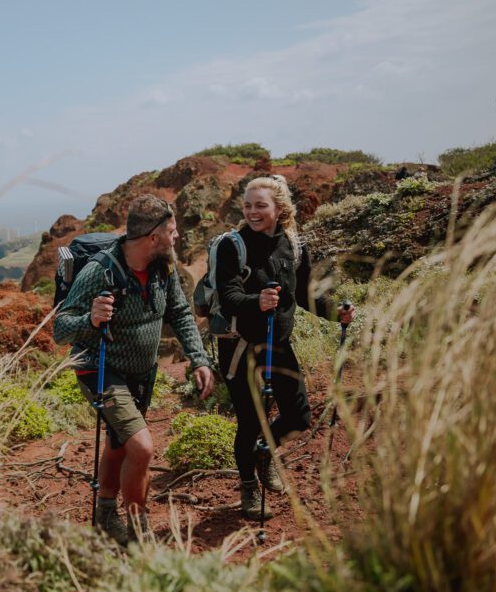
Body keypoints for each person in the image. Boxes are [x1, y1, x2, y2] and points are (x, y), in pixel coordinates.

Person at [54, 194, 214, 544]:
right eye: (172, 232)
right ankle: (138, 530)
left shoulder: (163, 267)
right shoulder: (101, 271)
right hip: (100, 369)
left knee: (119, 445)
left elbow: (181, 314)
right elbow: (60, 329)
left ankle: (105, 514)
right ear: (153, 237)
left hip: (142, 374)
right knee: (141, 448)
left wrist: (199, 359)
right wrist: (90, 318)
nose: (176, 238)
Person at [203, 175, 355, 520]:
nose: (253, 212)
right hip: (240, 347)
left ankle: (263, 453)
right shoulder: (233, 245)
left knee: (299, 416)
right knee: (250, 419)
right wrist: (257, 301)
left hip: (278, 344)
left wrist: (337, 314)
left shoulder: (294, 246)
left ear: (279, 209)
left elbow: (304, 296)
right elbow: (227, 297)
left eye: (261, 205)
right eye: (248, 205)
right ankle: (248, 487)